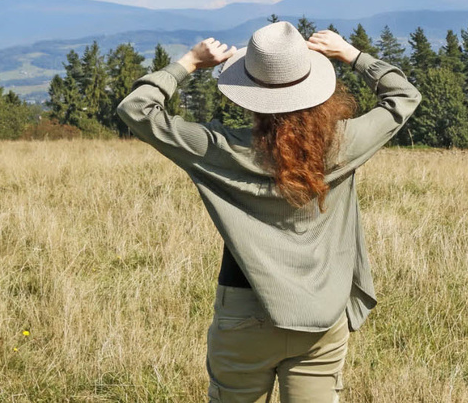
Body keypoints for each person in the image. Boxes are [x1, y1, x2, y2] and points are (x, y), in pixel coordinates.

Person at [117, 21, 421, 402]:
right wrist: (351, 54)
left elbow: (136, 109)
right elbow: (403, 97)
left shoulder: (219, 149)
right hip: (321, 312)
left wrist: (190, 62)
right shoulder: (344, 144)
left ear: (248, 92)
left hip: (244, 311)